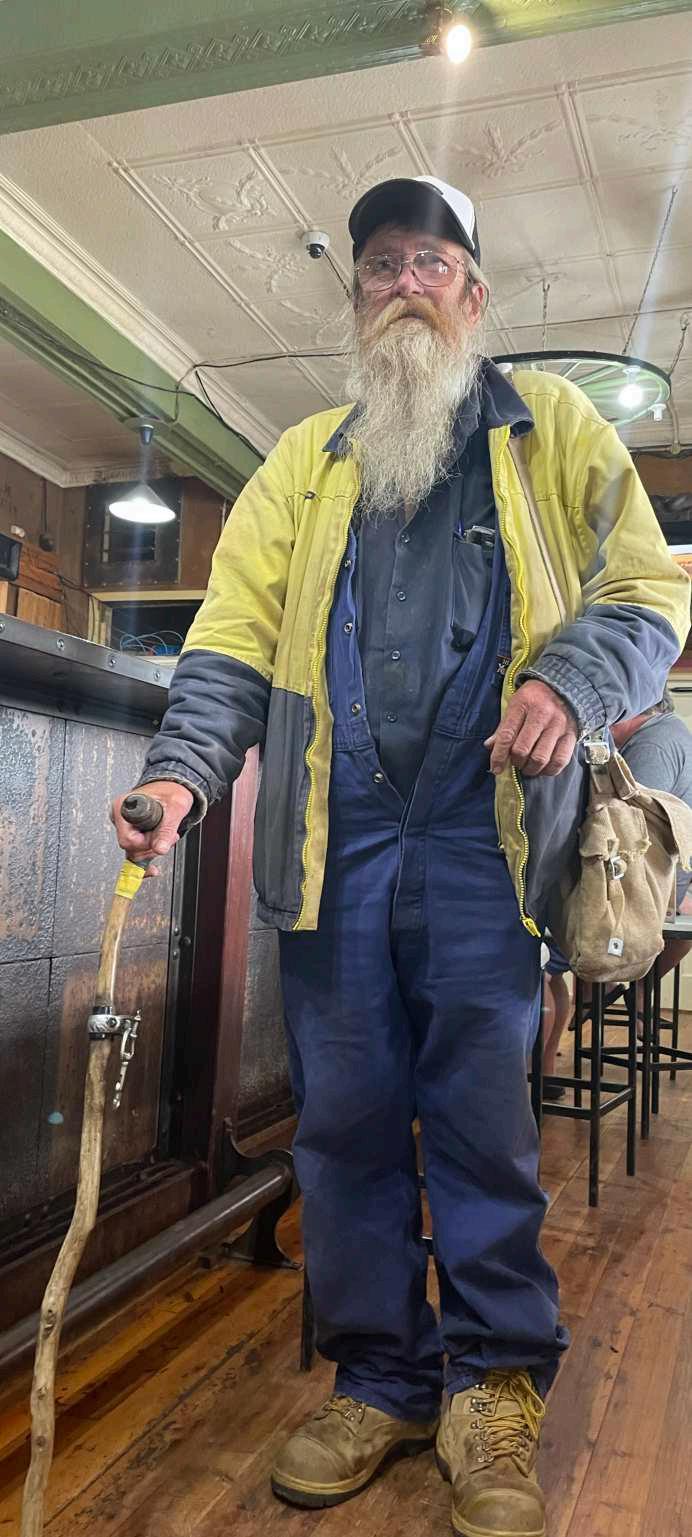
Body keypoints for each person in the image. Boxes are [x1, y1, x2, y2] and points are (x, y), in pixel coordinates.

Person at [111, 176, 690, 1537]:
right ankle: (381, 1376)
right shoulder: (301, 463)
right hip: (335, 850)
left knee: (484, 1128)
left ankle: (493, 1383)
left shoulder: (552, 431)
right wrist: (183, 772)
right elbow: (230, 641)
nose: (405, 284)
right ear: (357, 296)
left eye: (432, 263)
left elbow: (647, 593)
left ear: (474, 298)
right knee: (346, 1127)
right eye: (381, 263)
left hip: (489, 844)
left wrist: (566, 679)